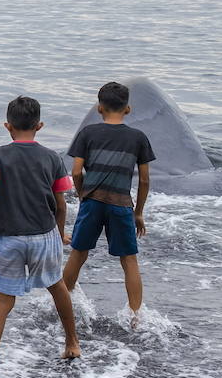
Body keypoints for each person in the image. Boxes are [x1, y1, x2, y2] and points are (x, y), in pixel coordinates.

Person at [0, 96, 81, 378]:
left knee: (2, 302)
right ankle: (72, 343)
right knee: (58, 287)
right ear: (39, 126)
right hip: (44, 235)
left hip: (9, 238)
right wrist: (60, 232)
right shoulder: (52, 157)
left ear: (7, 126)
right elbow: (61, 202)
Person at [61, 82, 156, 321]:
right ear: (128, 109)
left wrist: (84, 196)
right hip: (121, 203)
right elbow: (144, 180)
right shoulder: (138, 138)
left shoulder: (88, 134)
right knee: (129, 260)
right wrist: (139, 212)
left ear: (99, 108)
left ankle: (59, 304)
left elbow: (75, 172)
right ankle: (136, 316)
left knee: (78, 253)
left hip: (92, 201)